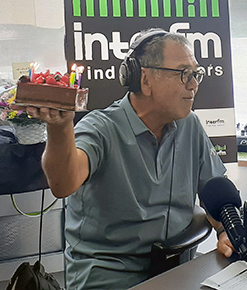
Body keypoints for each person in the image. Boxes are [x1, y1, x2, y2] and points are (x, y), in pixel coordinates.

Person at [21, 29, 235, 289]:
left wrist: (226, 230)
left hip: (177, 269)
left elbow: (214, 192)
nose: (193, 85)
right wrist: (59, 127)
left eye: (195, 74)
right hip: (110, 278)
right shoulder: (101, 128)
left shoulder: (190, 125)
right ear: (144, 79)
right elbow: (63, 184)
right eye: (183, 74)